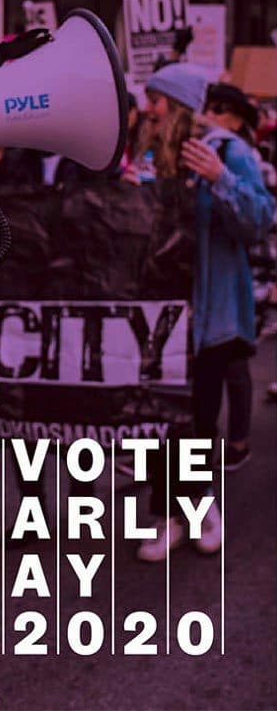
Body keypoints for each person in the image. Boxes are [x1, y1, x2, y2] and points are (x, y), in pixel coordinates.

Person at [124, 63, 272, 560]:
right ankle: (175, 512)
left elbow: (260, 221)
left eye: (157, 100)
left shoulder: (229, 153)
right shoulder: (151, 155)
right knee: (158, 419)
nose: (149, 110)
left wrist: (220, 179)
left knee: (198, 418)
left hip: (211, 316)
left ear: (181, 105)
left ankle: (196, 507)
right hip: (159, 315)